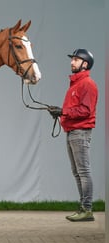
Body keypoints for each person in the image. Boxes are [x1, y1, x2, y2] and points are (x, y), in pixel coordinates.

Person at [48, 49, 98, 222]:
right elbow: (74, 110)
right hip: (72, 131)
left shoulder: (87, 84)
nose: (72, 62)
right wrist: (60, 113)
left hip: (80, 132)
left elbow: (86, 110)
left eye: (76, 60)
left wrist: (64, 111)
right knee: (77, 172)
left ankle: (87, 209)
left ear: (85, 64)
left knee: (83, 171)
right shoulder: (75, 85)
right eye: (73, 59)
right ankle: (84, 208)